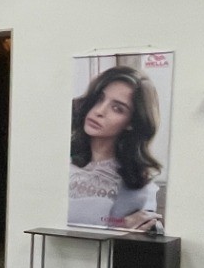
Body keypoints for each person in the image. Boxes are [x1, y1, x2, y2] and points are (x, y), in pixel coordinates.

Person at [67, 65, 163, 231]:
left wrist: (120, 226)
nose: (99, 111)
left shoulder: (137, 185)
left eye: (117, 108)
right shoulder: (60, 158)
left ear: (131, 123)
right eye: (99, 99)